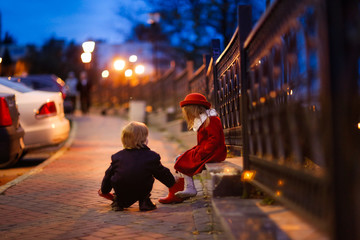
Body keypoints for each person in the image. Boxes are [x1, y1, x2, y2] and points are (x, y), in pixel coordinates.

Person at [159, 93, 227, 204]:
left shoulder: (211, 120)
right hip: (207, 150)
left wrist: (201, 152)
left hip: (213, 152)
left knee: (182, 159)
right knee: (180, 158)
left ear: (194, 109)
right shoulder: (204, 120)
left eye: (188, 112)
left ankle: (189, 189)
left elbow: (213, 140)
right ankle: (186, 188)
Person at [98, 121, 177, 211]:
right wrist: (171, 181)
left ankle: (118, 202)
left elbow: (108, 175)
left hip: (122, 191)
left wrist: (104, 190)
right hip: (141, 190)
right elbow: (161, 173)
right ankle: (144, 202)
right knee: (148, 177)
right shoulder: (151, 156)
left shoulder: (117, 157)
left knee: (118, 178)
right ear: (144, 139)